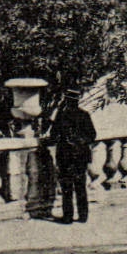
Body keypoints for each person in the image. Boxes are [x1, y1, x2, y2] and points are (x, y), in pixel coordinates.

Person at [47, 90, 97, 224]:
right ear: (77, 100)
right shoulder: (84, 115)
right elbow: (92, 135)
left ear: (66, 100)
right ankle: (83, 216)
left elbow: (53, 137)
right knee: (81, 186)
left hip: (66, 156)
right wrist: (80, 142)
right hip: (80, 156)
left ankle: (68, 217)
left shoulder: (61, 116)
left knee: (67, 188)